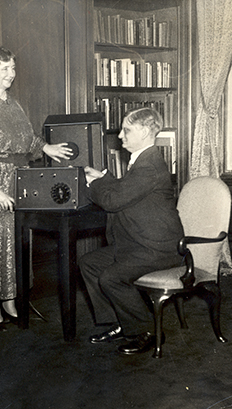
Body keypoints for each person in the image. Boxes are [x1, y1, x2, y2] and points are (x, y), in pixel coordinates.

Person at [0, 45, 72, 329]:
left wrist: (48, 147)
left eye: (13, 68)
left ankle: (11, 298)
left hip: (20, 178)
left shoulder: (13, 103)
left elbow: (28, 138)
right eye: (6, 69)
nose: (12, 74)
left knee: (15, 242)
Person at [79, 107, 184, 354]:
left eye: (127, 130)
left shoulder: (149, 165)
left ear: (145, 132)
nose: (121, 136)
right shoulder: (142, 159)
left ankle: (147, 331)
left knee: (111, 278)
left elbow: (113, 201)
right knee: (89, 263)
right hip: (140, 243)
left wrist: (93, 183)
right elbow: (124, 191)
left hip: (158, 248)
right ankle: (118, 323)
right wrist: (103, 177)